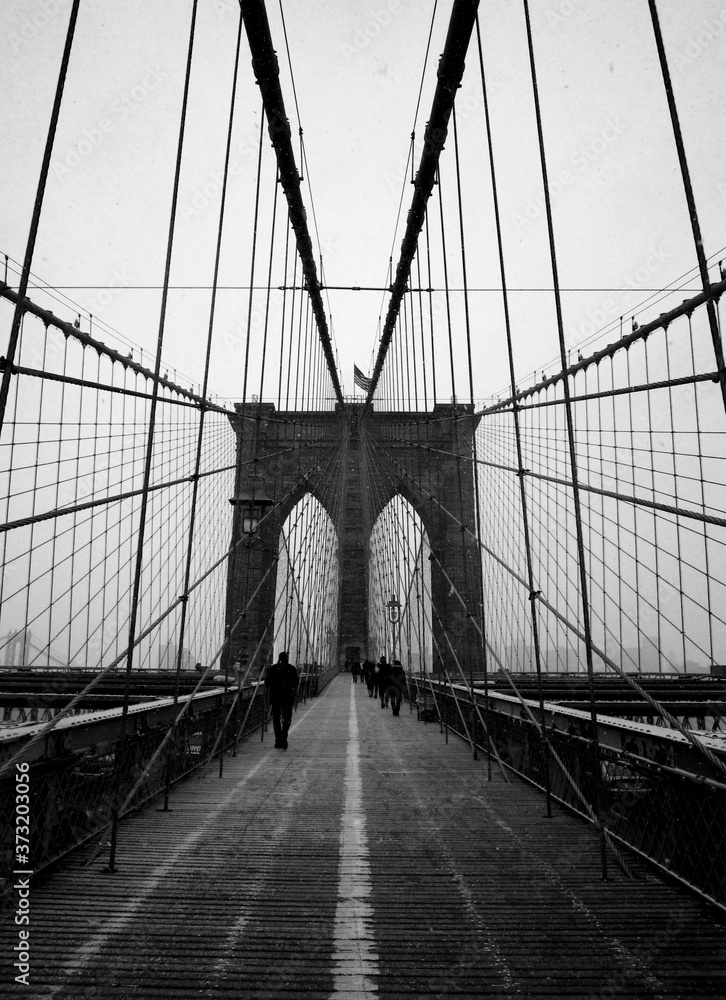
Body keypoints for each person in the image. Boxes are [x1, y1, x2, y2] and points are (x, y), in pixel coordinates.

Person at [265, 651, 299, 750]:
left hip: (276, 698)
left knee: (276, 719)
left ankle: (278, 740)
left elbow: (267, 683)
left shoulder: (272, 669)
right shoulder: (291, 669)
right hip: (287, 698)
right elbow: (296, 683)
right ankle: (284, 737)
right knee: (287, 718)